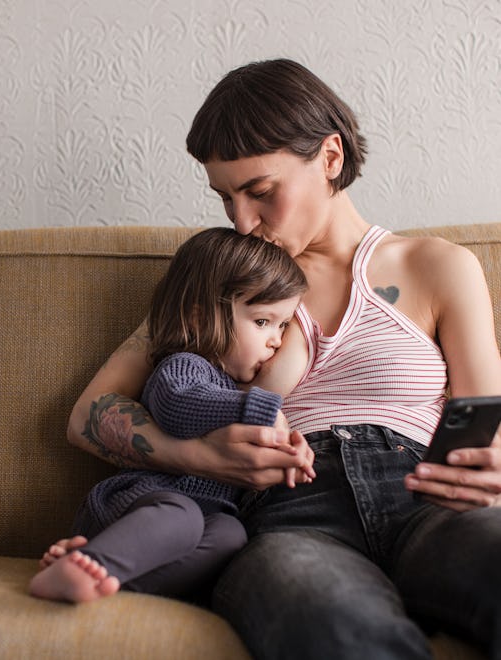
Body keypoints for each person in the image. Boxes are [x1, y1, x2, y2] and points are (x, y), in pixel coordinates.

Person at [66, 59, 501, 659]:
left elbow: (487, 420)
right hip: (291, 519)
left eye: (260, 192)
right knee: (329, 624)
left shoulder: (438, 267)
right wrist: (195, 456)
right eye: (225, 197)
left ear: (329, 157)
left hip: (430, 504)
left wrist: (493, 470)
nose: (241, 221)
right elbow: (89, 412)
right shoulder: (225, 281)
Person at [30, 227, 311, 604]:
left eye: (282, 325)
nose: (276, 339)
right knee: (180, 515)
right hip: (140, 503)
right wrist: (258, 407)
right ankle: (98, 557)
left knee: (230, 535)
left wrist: (289, 458)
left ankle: (95, 573)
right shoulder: (186, 367)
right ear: (197, 319)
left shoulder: (229, 386)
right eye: (262, 322)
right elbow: (177, 404)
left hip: (200, 519)